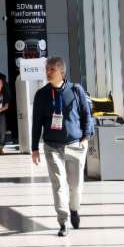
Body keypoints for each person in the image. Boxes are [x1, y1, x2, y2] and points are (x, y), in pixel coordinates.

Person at [32, 57, 94, 237]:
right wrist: (35, 147)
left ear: (61, 72)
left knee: (75, 186)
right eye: (47, 69)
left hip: (75, 145)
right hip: (52, 147)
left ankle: (74, 209)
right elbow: (37, 122)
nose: (47, 72)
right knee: (58, 184)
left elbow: (86, 115)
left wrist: (86, 137)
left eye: (51, 69)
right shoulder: (41, 94)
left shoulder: (76, 90)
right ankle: (63, 221)